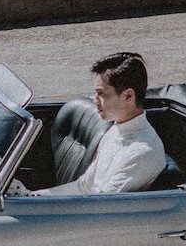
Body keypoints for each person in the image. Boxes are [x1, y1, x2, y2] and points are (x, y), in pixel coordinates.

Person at [36, 52, 166, 196]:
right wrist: (35, 197)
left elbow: (101, 205)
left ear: (128, 96)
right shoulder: (115, 130)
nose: (95, 100)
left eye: (101, 94)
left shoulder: (142, 153)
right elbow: (83, 186)